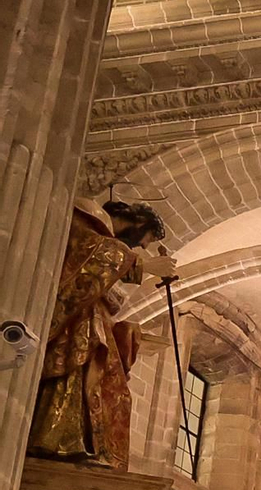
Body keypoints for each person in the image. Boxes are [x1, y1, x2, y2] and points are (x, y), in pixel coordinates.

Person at [29, 197, 177, 470]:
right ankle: (56, 439)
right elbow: (86, 258)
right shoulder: (87, 215)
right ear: (140, 222)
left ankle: (82, 443)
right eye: (145, 240)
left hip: (85, 322)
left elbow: (102, 287)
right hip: (75, 326)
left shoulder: (106, 237)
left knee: (115, 389)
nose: (142, 246)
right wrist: (143, 267)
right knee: (84, 375)